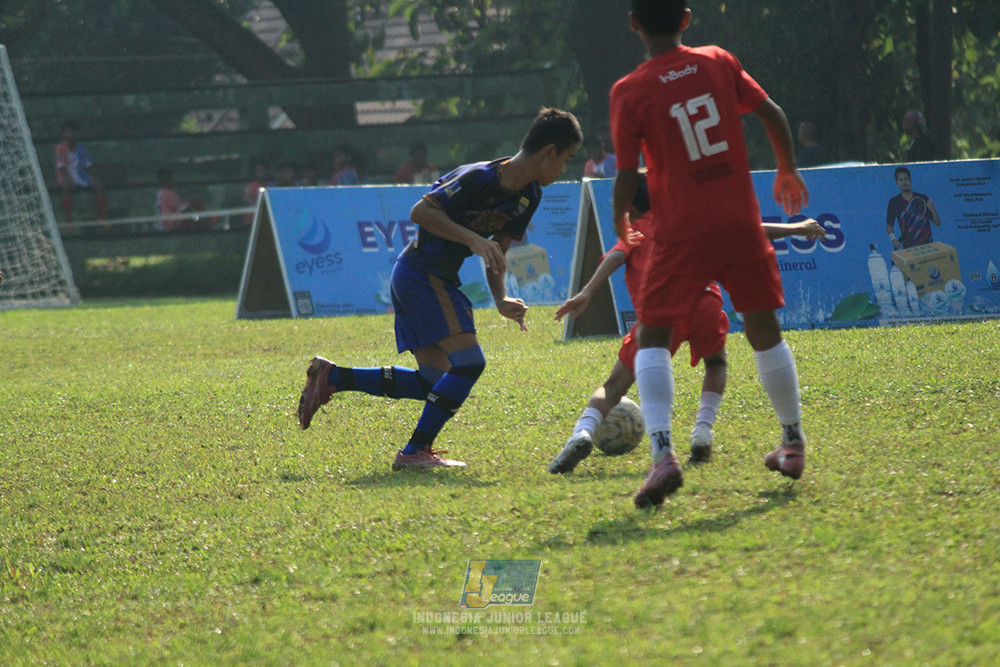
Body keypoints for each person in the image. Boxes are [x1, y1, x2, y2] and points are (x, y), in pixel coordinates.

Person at [297, 108, 583, 470]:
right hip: (421, 274)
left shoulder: (531, 196)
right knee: (470, 362)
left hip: (427, 278)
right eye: (566, 159)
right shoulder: (479, 177)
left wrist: (500, 298)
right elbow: (421, 212)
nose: (564, 169)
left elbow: (497, 251)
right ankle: (415, 451)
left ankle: (333, 376)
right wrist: (472, 239)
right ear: (549, 152)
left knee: (432, 382)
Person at [610, 0, 811, 508]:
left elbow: (628, 173)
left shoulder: (629, 90)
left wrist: (619, 219)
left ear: (633, 25)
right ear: (686, 18)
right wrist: (787, 169)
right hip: (739, 219)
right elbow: (772, 112)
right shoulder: (718, 61)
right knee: (764, 331)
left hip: (681, 228)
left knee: (653, 337)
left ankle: (663, 455)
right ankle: (792, 442)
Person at [550, 172, 825, 474]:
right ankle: (702, 432)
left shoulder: (635, 230)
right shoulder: (686, 222)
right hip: (705, 300)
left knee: (614, 385)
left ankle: (583, 432)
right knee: (716, 363)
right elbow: (746, 231)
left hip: (663, 310)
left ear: (630, 208)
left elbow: (616, 256)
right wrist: (798, 227)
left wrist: (587, 292)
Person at [54, 120, 108, 229]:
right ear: (63, 134)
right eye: (68, 132)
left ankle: (102, 218)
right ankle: (69, 221)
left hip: (80, 174)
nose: (71, 134)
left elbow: (88, 164)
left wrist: (95, 176)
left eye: (73, 132)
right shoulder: (60, 148)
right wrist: (67, 178)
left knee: (99, 185)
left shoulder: (81, 147)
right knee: (66, 187)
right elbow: (61, 166)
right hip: (65, 175)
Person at [885, 166, 941, 249]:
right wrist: (893, 240)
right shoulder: (894, 202)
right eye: (900, 180)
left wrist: (933, 209)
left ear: (910, 180)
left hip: (928, 246)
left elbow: (937, 223)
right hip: (909, 248)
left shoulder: (923, 199)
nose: (904, 182)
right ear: (897, 182)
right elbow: (889, 225)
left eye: (906, 179)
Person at [155, 168, 207, 232]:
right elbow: (181, 208)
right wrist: (191, 203)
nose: (173, 182)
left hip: (163, 227)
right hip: (168, 228)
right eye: (171, 179)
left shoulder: (161, 193)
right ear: (165, 181)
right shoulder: (167, 193)